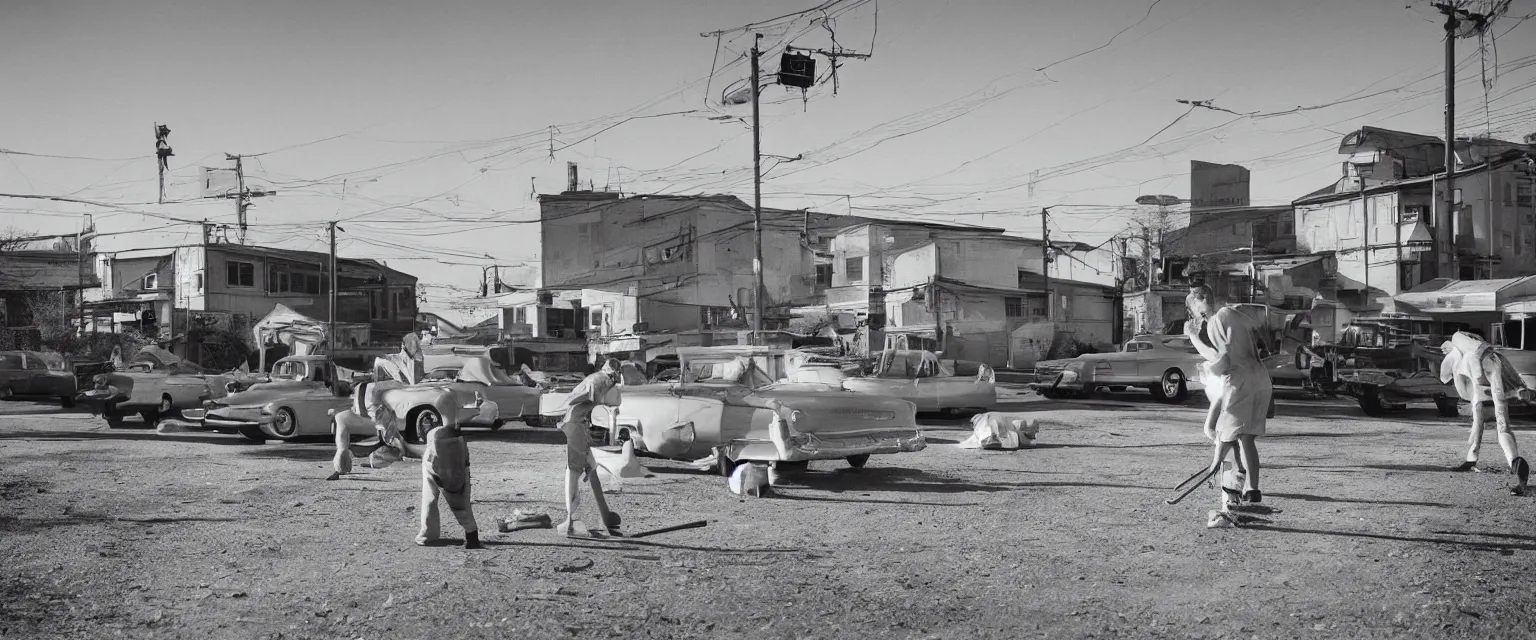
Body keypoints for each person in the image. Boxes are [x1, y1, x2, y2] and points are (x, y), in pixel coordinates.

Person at [1185, 285, 1273, 514]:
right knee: (1246, 438)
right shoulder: (1229, 315)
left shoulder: (1220, 317)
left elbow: (1223, 358)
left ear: (1201, 301)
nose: (1195, 316)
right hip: (1260, 379)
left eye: (1194, 309)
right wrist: (1196, 338)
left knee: (1225, 432)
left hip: (1241, 381)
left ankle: (1220, 478)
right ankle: (1252, 489)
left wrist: (1197, 343)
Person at [1440, 331, 1530, 496]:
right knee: (1503, 428)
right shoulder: (1494, 356)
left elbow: (1445, 377)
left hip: (1480, 397)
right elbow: (1506, 378)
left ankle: (1471, 459)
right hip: (1495, 391)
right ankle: (1514, 461)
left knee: (1478, 426)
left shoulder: (1458, 353)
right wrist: (1518, 389)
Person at [557, 358, 623, 537]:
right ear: (613, 374)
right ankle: (569, 519)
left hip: (578, 423)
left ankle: (605, 514)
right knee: (574, 468)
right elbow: (577, 399)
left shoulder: (598, 379)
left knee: (591, 464)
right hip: (575, 423)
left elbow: (578, 399)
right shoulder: (600, 380)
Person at [418, 420, 481, 548]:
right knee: (459, 499)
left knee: (429, 498)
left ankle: (427, 536)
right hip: (453, 445)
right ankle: (471, 535)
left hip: (437, 448)